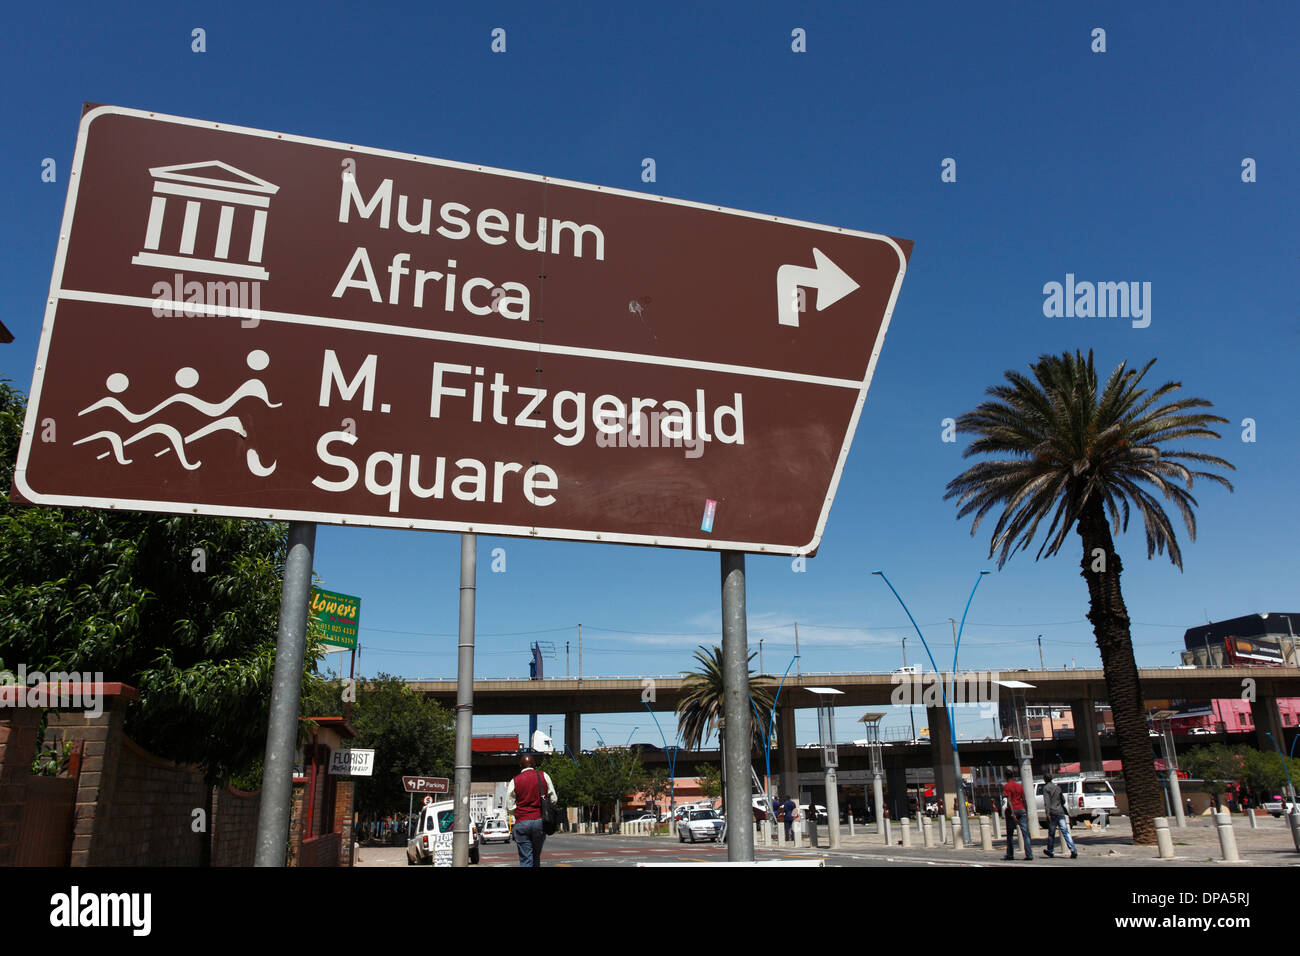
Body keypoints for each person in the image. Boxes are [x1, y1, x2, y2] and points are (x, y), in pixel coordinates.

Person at [505, 753, 557, 867]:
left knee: (526, 859)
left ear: (520, 766)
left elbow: (509, 805)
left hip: (521, 822)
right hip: (539, 822)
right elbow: (553, 799)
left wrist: (518, 812)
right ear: (534, 764)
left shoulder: (515, 780)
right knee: (535, 857)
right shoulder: (543, 776)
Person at [1041, 773, 1077, 859]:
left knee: (1051, 833)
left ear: (1045, 780)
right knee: (1065, 831)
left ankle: (1050, 850)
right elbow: (1063, 800)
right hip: (1060, 812)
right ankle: (1073, 849)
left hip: (1052, 813)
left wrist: (1047, 814)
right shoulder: (1058, 788)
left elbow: (1047, 802)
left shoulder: (1046, 788)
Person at [1002, 769, 1033, 860]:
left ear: (1006, 777)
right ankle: (1029, 854)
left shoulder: (1007, 787)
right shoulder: (1019, 786)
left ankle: (1010, 855)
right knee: (1025, 834)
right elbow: (1024, 799)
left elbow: (1009, 801)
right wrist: (1026, 812)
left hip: (1013, 811)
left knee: (1010, 834)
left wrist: (1013, 814)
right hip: (1022, 809)